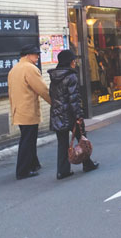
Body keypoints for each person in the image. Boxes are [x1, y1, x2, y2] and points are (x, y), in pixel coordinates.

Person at [48, 50, 99, 180]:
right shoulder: (71, 76)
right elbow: (74, 99)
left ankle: (62, 171)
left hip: (57, 114)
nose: (75, 63)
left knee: (62, 143)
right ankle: (87, 164)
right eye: (73, 60)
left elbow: (52, 96)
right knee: (82, 138)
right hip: (70, 115)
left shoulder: (54, 77)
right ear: (70, 62)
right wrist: (79, 116)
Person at [8, 44, 51, 180]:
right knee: (28, 140)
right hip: (28, 110)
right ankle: (23, 171)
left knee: (28, 138)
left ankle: (33, 164)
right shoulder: (30, 68)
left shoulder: (14, 69)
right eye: (35, 54)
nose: (37, 56)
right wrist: (55, 102)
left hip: (19, 110)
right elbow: (42, 89)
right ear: (27, 55)